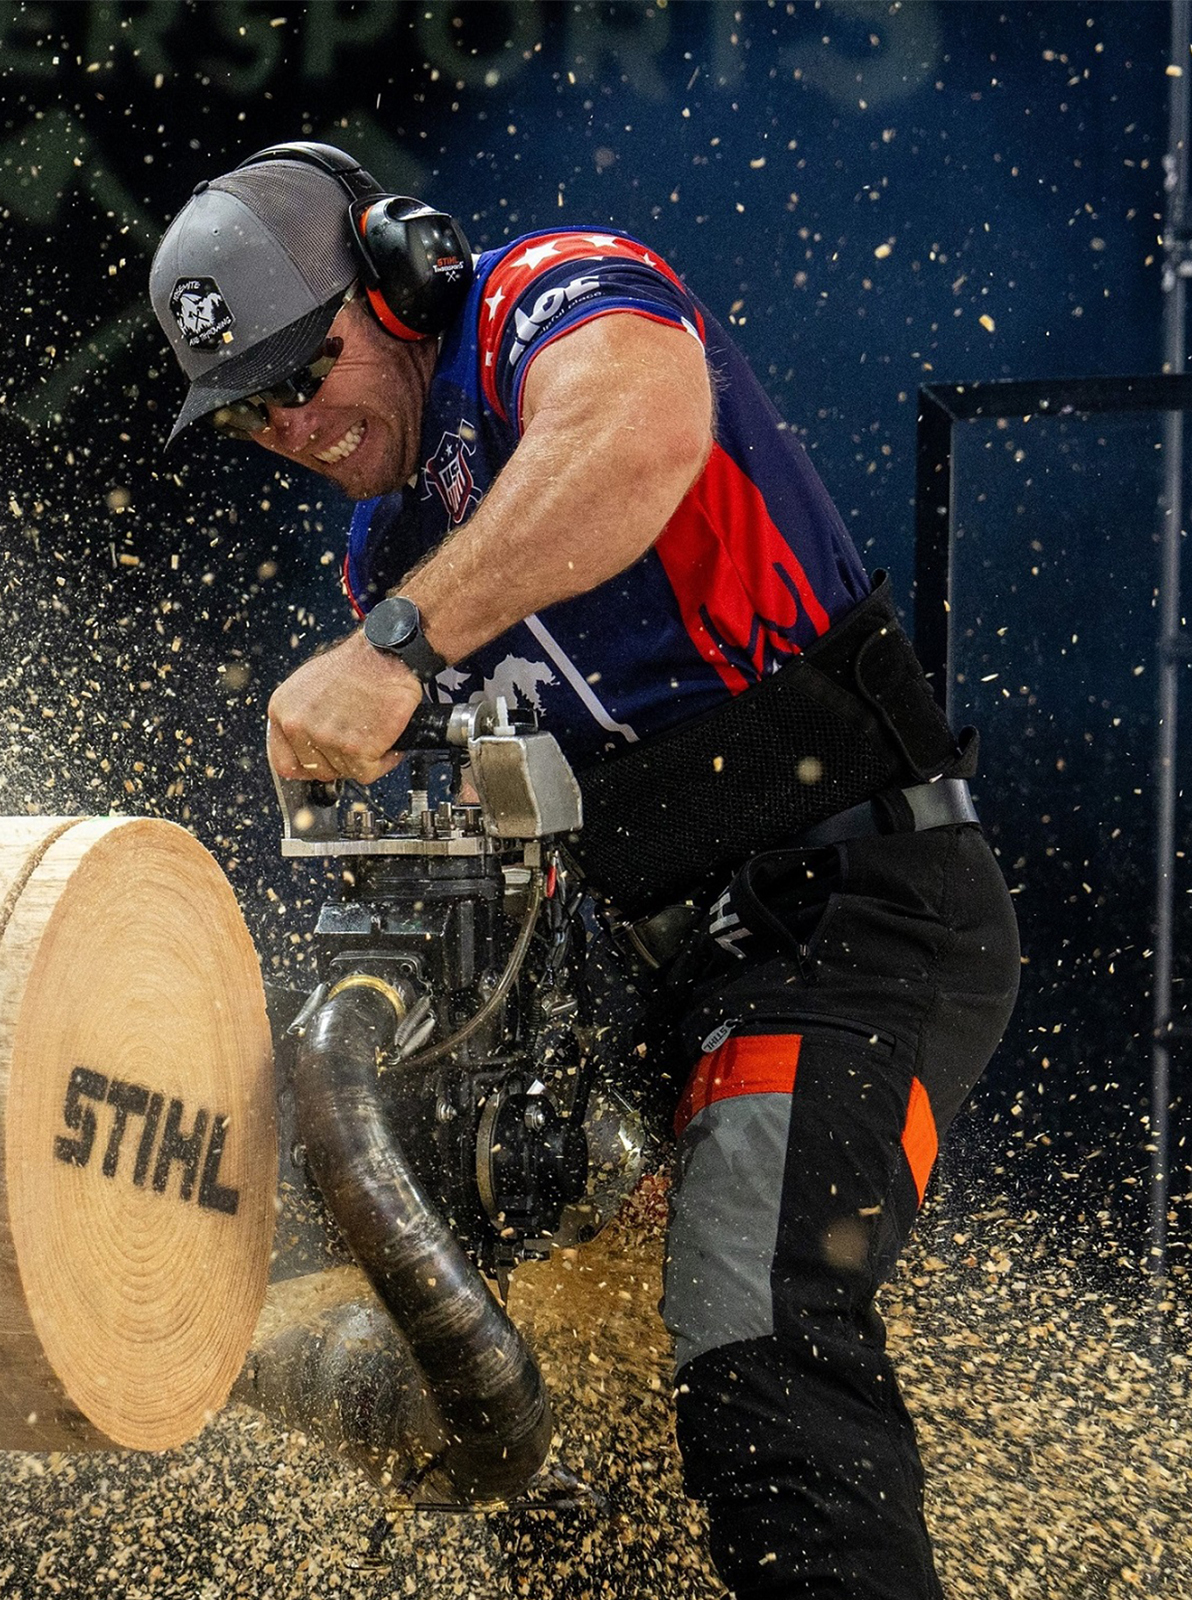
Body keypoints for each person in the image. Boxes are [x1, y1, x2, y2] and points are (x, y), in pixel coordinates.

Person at [146, 142, 1019, 1600]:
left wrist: (395, 652)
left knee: (755, 1322)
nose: (291, 427)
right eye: (251, 416)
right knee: (501, 1356)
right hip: (663, 973)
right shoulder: (396, 547)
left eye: (306, 375)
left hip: (860, 905)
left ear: (401, 276)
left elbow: (638, 436)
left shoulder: (537, 304)